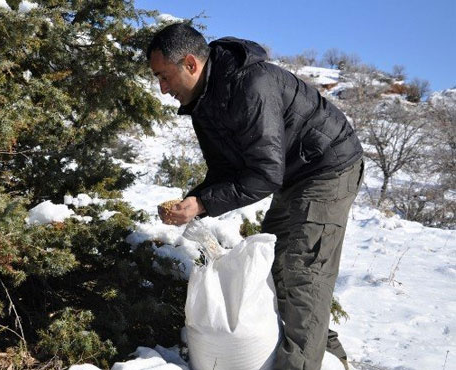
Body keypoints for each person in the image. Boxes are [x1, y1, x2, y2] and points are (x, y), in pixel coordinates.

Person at [148, 23, 364, 370]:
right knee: (275, 266)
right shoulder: (203, 102)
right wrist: (195, 202)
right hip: (292, 174)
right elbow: (225, 170)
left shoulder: (250, 85)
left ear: (190, 63)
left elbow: (264, 174)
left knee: (302, 271)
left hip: (328, 166)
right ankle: (330, 359)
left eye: (164, 76)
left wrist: (204, 203)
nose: (162, 89)